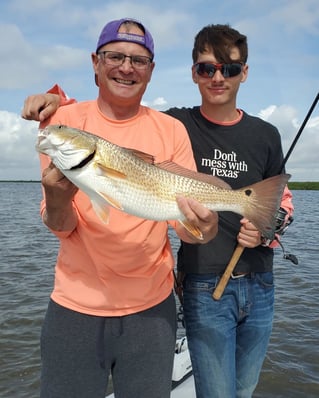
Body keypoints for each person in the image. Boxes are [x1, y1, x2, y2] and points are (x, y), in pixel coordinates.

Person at [22, 23, 294, 398]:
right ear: (95, 63)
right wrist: (54, 100)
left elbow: (198, 227)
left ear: (151, 69)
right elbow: (62, 221)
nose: (126, 67)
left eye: (138, 59)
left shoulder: (176, 128)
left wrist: (211, 226)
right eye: (115, 57)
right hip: (83, 304)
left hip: (165, 302)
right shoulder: (64, 123)